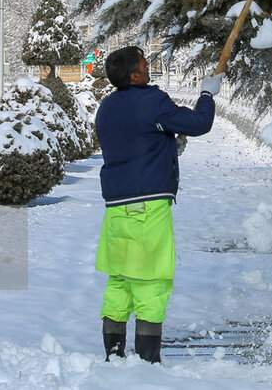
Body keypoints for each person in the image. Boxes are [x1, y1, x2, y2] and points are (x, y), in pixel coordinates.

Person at [94, 46, 221, 363]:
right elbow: (198, 123)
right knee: (151, 282)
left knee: (120, 281)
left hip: (116, 209)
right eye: (143, 63)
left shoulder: (106, 107)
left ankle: (114, 355)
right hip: (148, 208)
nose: (148, 66)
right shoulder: (151, 101)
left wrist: (165, 146)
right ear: (134, 75)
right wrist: (207, 93)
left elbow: (133, 141)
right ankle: (147, 362)